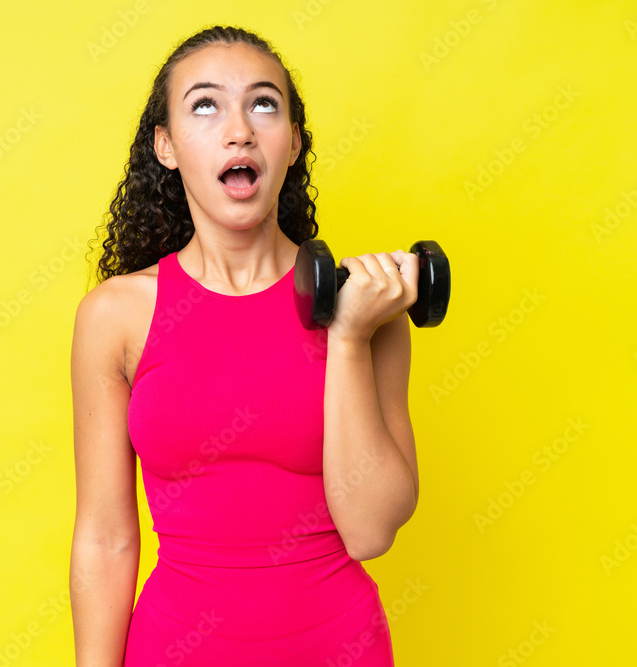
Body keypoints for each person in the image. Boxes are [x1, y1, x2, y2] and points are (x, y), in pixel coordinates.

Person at [70, 25, 420, 666]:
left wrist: (347, 337)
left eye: (264, 104)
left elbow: (371, 532)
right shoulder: (116, 315)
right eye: (205, 105)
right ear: (166, 147)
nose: (239, 130)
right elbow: (105, 538)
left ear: (291, 144)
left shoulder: (371, 307)